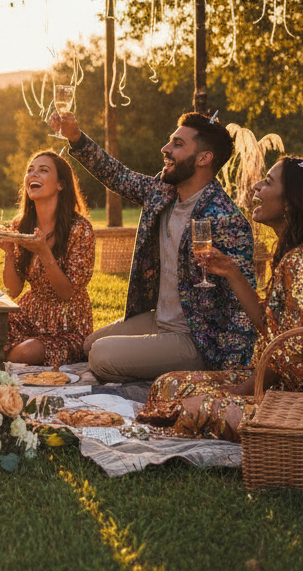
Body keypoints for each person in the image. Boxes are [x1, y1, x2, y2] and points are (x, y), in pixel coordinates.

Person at [147, 157, 303, 441]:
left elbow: (294, 357)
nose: (257, 186)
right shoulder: (295, 253)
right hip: (277, 384)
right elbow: (270, 327)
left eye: (268, 182)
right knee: (167, 385)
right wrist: (231, 272)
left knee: (192, 409)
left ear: (291, 202)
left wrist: (240, 391)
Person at [50, 109, 256, 382]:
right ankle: (153, 369)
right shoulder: (163, 191)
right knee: (90, 345)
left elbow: (241, 307)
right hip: (159, 321)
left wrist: (231, 374)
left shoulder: (227, 219)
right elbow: (117, 176)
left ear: (204, 158)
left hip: (196, 339)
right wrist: (76, 137)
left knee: (101, 356)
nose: (165, 149)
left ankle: (174, 376)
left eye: (177, 144)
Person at [0, 150, 95, 365]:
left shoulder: (80, 229)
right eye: (30, 170)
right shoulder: (21, 225)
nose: (33, 174)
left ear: (61, 184)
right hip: (29, 314)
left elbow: (67, 292)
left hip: (68, 324)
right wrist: (9, 252)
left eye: (43, 170)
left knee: (26, 353)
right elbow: (14, 290)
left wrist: (43, 252)